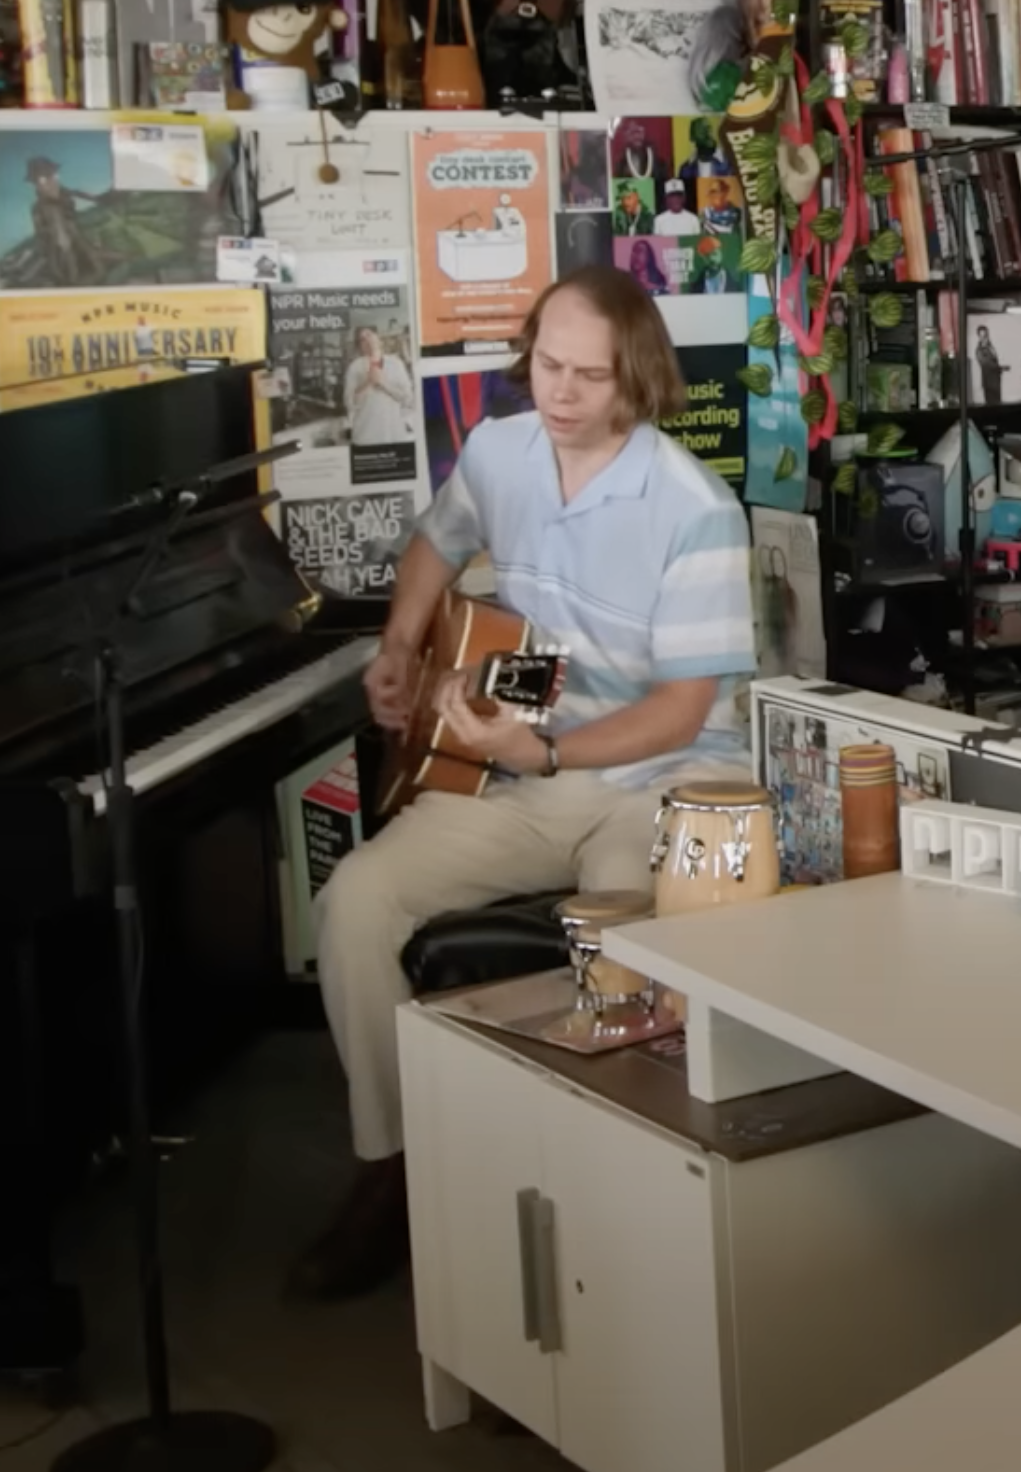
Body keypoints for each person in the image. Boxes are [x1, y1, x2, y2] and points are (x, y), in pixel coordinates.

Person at [289, 266, 754, 1300]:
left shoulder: (695, 509)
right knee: (356, 899)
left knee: (625, 931)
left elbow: (681, 710)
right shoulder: (501, 452)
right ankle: (394, 1163)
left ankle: (613, 1199)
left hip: (668, 776)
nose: (562, 391)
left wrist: (538, 754)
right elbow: (434, 544)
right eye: (548, 363)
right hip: (537, 757)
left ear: (637, 381)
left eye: (590, 375)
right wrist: (402, 647)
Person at [344, 324, 415, 446]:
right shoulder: (354, 367)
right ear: (360, 346)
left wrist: (383, 383)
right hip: (364, 437)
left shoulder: (396, 364)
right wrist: (368, 382)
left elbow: (408, 399)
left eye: (369, 336)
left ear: (379, 339)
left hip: (394, 436)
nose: (367, 341)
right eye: (362, 340)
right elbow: (349, 403)